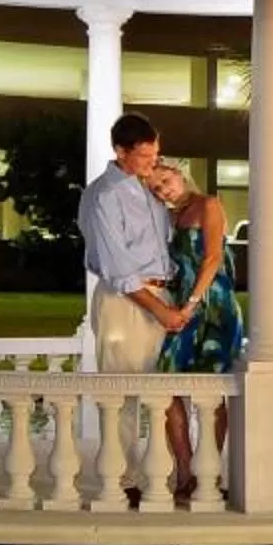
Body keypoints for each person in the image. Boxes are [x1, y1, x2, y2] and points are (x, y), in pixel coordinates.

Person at [77, 113, 188, 505]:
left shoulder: (149, 189)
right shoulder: (103, 196)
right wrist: (159, 310)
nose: (151, 163)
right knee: (121, 394)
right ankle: (122, 482)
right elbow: (116, 266)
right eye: (143, 156)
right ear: (120, 151)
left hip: (162, 297)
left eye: (155, 154)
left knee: (160, 392)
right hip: (126, 302)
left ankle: (160, 475)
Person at [152, 161, 245, 500]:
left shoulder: (209, 204)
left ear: (179, 171)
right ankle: (186, 469)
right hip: (182, 308)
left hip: (215, 306)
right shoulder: (169, 219)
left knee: (211, 393)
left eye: (166, 180)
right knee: (166, 385)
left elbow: (213, 258)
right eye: (157, 189)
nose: (164, 189)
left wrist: (192, 303)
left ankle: (208, 472)